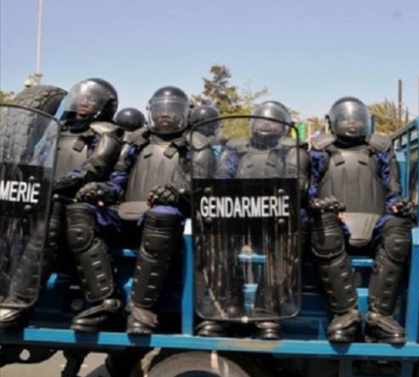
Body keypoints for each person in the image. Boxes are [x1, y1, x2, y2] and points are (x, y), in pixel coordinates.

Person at [74, 86, 215, 334]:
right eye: (161, 110)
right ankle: (104, 301)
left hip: (171, 219)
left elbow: (201, 184)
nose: (166, 116)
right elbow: (118, 179)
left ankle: (142, 308)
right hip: (126, 212)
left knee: (162, 214)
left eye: (172, 111)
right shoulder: (135, 141)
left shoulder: (197, 145)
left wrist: (177, 192)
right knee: (80, 212)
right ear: (152, 111)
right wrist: (102, 190)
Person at [0, 78, 124, 331]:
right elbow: (36, 160)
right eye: (82, 96)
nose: (85, 101)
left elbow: (94, 168)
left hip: (82, 199)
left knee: (54, 210)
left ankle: (20, 302)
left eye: (93, 99)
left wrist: (58, 184)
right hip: (43, 195)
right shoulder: (56, 130)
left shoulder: (107, 133)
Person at [195, 100, 308, 340]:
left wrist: (282, 193)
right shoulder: (236, 148)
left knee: (283, 246)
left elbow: (296, 179)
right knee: (217, 239)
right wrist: (220, 191)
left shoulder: (291, 148)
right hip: (238, 212)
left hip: (274, 215)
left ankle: (267, 312)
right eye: (262, 120)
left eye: (272, 121)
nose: (266, 125)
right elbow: (223, 174)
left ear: (284, 126)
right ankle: (223, 308)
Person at [308, 96, 414, 344]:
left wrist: (399, 206)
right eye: (346, 119)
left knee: (399, 231)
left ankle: (379, 317)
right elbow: (309, 193)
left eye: (357, 119)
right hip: (335, 223)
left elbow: (392, 192)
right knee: (324, 227)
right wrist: (319, 205)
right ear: (333, 121)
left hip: (375, 223)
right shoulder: (320, 151)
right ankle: (345, 315)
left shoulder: (379, 150)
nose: (352, 123)